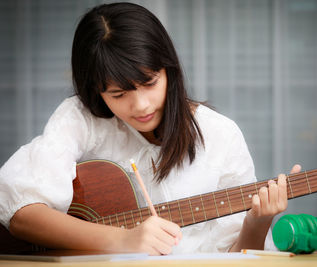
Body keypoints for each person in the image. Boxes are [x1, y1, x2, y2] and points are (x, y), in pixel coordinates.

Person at [0, 2, 300, 255]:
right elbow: (22, 214)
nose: (141, 105)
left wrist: (257, 222)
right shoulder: (80, 118)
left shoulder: (220, 135)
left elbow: (238, 256)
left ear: (169, 68)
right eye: (118, 94)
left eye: (150, 82)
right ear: (96, 91)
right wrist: (121, 239)